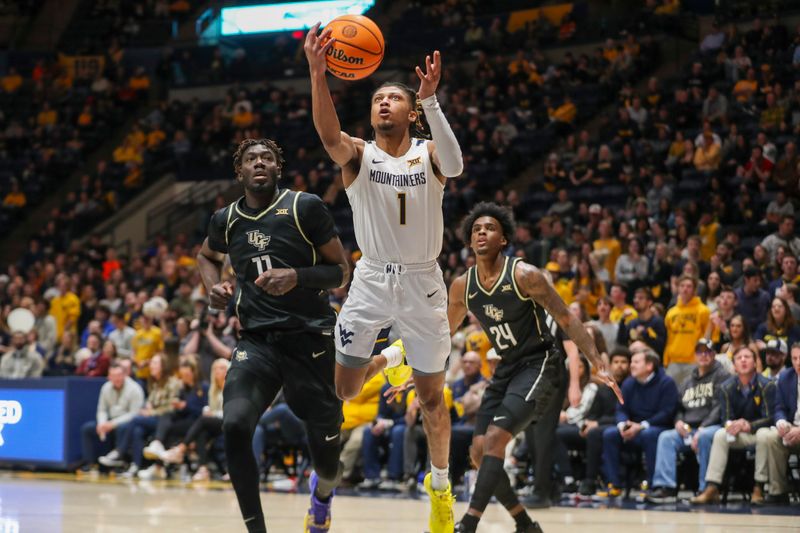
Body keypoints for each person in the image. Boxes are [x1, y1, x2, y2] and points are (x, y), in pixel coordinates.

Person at [306, 25, 463, 532]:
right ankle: (391, 359)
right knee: (346, 390)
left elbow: (456, 166)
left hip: (421, 282)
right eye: (378, 98)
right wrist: (317, 72)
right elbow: (329, 137)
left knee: (434, 400)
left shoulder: (427, 153)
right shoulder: (358, 154)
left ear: (409, 110)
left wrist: (432, 102)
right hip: (371, 280)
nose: (385, 104)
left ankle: (440, 488)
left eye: (394, 98)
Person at [197, 137, 350, 533]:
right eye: (251, 159)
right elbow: (207, 256)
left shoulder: (305, 207)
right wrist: (213, 287)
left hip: (310, 340)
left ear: (277, 168)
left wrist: (296, 276)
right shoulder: (225, 219)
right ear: (240, 171)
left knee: (328, 464)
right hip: (257, 343)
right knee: (233, 425)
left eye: (267, 158)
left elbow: (341, 271)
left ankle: (322, 495)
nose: (260, 163)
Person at [444, 202, 621, 533]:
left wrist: (597, 361)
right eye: (476, 229)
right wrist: (416, 371)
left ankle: (468, 524)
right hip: (507, 367)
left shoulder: (525, 275)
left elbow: (567, 317)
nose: (481, 232)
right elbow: (443, 332)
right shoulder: (461, 286)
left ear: (504, 239)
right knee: (480, 453)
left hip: (540, 362)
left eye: (490, 228)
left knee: (496, 439)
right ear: (470, 241)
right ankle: (525, 523)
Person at [646, 339, 730, 502]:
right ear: (695, 355)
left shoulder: (722, 376)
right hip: (688, 428)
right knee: (666, 437)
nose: (703, 355)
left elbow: (719, 407)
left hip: (712, 426)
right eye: (700, 352)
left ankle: (705, 489)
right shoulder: (687, 380)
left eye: (708, 352)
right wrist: (678, 422)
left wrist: (702, 428)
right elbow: (677, 407)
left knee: (705, 437)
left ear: (714, 355)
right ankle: (666, 488)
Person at [690, 346, 776, 504]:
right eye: (739, 358)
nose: (743, 360)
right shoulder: (726, 387)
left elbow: (771, 418)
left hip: (760, 432)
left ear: (755, 363)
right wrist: (732, 424)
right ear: (734, 365)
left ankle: (758, 487)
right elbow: (726, 418)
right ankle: (712, 487)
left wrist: (748, 425)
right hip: (740, 433)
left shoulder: (767, 385)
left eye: (747, 357)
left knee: (765, 435)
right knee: (720, 434)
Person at [599, 349, 678, 497]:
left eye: (636, 362)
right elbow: (621, 409)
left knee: (649, 435)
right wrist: (623, 425)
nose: (631, 366)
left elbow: (667, 413)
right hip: (633, 427)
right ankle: (614, 484)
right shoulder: (629, 383)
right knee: (609, 434)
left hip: (657, 426)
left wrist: (642, 425)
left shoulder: (666, 383)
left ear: (649, 366)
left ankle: (653, 485)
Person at [161, 358, 230, 482]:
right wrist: (208, 410)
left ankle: (180, 449)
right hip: (216, 424)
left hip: (229, 421)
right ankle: (203, 469)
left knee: (203, 421)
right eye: (215, 368)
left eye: (221, 368)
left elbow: (230, 411)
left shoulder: (231, 387)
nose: (217, 371)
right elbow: (210, 408)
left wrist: (211, 413)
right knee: (201, 432)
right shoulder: (213, 390)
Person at [754, 342, 800, 505]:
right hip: (791, 429)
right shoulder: (786, 377)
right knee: (771, 437)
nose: (798, 363)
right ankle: (778, 491)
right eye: (795, 358)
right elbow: (779, 407)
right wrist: (781, 422)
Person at [79, 361, 145, 472]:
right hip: (109, 420)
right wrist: (102, 424)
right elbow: (102, 410)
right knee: (87, 429)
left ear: (125, 375)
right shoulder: (105, 388)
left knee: (122, 428)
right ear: (109, 377)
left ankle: (119, 463)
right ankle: (90, 464)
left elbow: (135, 414)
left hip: (126, 422)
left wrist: (113, 424)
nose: (117, 379)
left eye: (119, 375)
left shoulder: (135, 389)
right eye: (113, 376)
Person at [664, 275, 710, 385]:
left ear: (694, 290)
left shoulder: (703, 311)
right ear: (678, 288)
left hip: (694, 361)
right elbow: (669, 338)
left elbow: (709, 338)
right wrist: (666, 359)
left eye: (689, 286)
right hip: (673, 362)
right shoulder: (671, 312)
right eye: (682, 286)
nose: (685, 289)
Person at [617, 287, 666, 356]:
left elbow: (661, 346)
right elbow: (621, 342)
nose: (636, 300)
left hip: (652, 361)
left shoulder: (658, 322)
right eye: (635, 298)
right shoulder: (632, 323)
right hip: (634, 360)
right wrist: (622, 321)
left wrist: (644, 333)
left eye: (640, 298)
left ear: (649, 302)